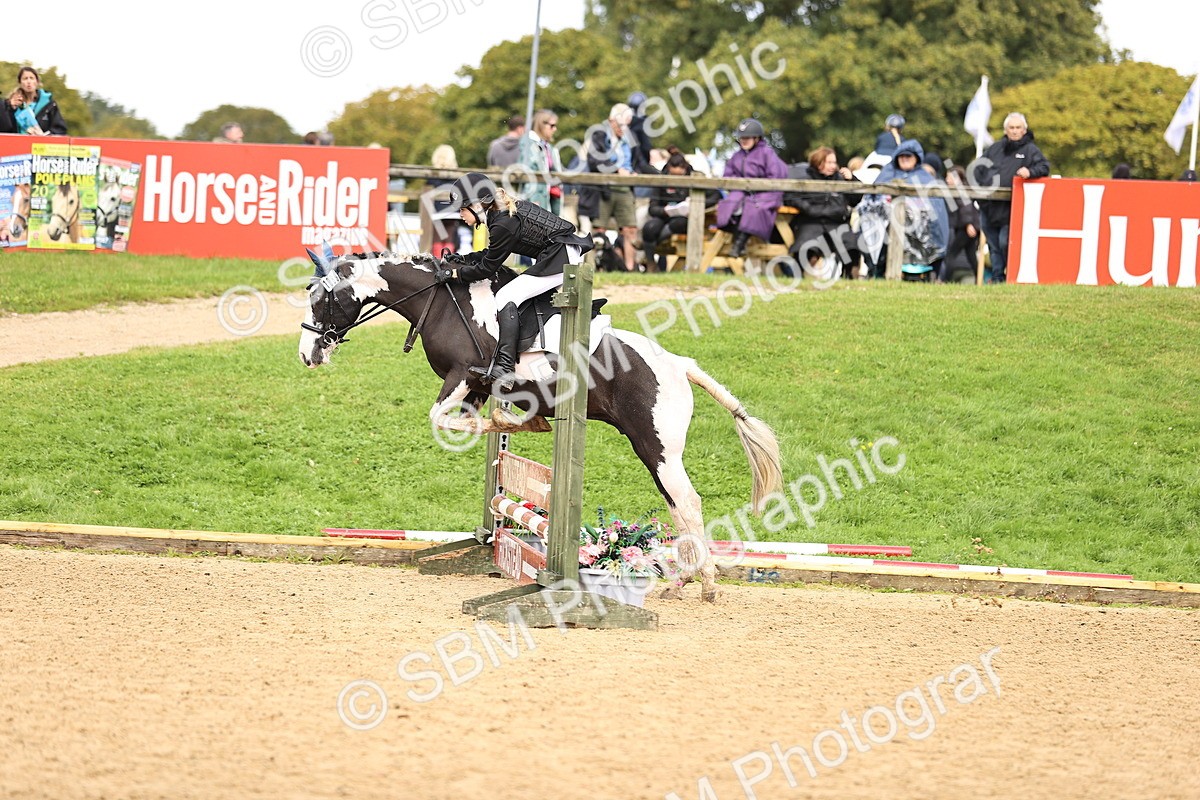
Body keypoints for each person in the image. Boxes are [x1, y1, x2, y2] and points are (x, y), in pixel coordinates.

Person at [437, 172, 593, 390]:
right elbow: (491, 254)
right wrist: (463, 259)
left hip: (561, 257)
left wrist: (454, 274)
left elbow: (487, 268)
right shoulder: (498, 215)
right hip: (558, 253)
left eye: (462, 208)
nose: (460, 214)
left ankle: (505, 367)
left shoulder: (502, 222)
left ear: (477, 204)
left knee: (506, 296)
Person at [972, 112, 1050, 283]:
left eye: (1018, 128)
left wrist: (1030, 172)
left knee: (1005, 243)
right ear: (1006, 130)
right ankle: (998, 278)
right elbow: (977, 169)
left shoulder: (1030, 150)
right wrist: (978, 196)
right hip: (989, 207)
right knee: (993, 246)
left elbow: (1044, 166)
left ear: (1024, 130)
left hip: (1011, 208)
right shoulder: (995, 148)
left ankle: (1011, 276)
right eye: (1011, 128)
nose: (1014, 131)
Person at [873, 139, 949, 278]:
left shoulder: (925, 178)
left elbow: (935, 208)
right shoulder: (887, 174)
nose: (905, 159)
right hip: (887, 227)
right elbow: (874, 199)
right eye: (902, 156)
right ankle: (880, 271)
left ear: (916, 158)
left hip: (919, 231)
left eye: (908, 156)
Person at [586, 103, 647, 271]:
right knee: (599, 229)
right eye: (620, 125)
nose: (623, 128)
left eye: (627, 124)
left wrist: (657, 174)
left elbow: (641, 162)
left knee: (630, 229)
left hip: (625, 189)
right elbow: (593, 162)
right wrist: (616, 169)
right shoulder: (598, 135)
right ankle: (596, 268)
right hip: (603, 189)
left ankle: (629, 269)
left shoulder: (631, 139)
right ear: (611, 121)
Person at [784, 146, 861, 278]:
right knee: (806, 245)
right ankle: (799, 279)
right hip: (811, 222)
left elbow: (856, 199)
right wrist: (809, 208)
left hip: (837, 224)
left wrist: (852, 180)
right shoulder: (805, 177)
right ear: (819, 163)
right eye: (829, 162)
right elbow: (790, 197)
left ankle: (849, 278)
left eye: (834, 162)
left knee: (851, 244)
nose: (833, 166)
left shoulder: (840, 178)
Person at [716, 118, 788, 258]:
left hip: (766, 194)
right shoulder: (736, 156)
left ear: (756, 138)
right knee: (729, 203)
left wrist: (755, 186)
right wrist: (741, 184)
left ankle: (739, 244)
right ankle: (738, 242)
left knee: (753, 206)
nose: (744, 140)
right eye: (742, 137)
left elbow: (776, 176)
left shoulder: (767, 153)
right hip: (743, 194)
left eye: (747, 137)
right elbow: (727, 176)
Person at [640, 151, 719, 270]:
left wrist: (695, 204)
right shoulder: (661, 180)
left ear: (685, 169)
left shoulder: (695, 178)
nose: (676, 179)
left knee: (679, 223)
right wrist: (664, 211)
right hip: (664, 216)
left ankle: (654, 244)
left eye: (679, 175)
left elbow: (715, 196)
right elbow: (653, 208)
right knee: (649, 228)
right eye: (673, 175)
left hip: (684, 219)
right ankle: (650, 263)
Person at [939, 166, 981, 283]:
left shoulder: (960, 191)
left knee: (952, 254)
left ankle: (944, 280)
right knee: (971, 255)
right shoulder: (960, 190)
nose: (947, 179)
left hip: (965, 228)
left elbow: (966, 208)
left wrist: (968, 224)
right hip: (967, 227)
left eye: (949, 177)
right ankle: (979, 279)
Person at [518, 109, 563, 214]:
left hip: (550, 198)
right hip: (535, 199)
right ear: (541, 125)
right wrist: (534, 200)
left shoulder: (549, 147)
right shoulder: (528, 143)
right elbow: (529, 172)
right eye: (552, 126)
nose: (555, 129)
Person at [0, 66, 67, 136]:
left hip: (39, 145)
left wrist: (45, 135)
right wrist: (9, 108)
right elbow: (4, 129)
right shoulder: (9, 104)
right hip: (16, 145)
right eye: (25, 78)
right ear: (20, 82)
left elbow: (60, 129)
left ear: (37, 82)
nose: (29, 82)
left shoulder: (49, 104)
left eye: (31, 78)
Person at [428, 144, 461, 257]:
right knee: (450, 236)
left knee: (437, 237)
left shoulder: (432, 175)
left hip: (436, 211)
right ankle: (448, 260)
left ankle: (437, 260)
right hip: (452, 211)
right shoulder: (456, 175)